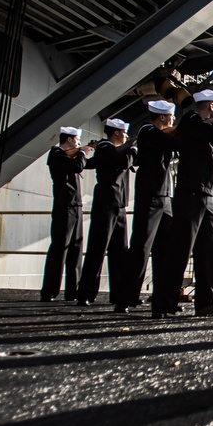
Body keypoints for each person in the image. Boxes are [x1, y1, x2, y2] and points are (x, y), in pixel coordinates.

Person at [153, 89, 213, 318]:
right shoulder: (191, 120)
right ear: (210, 106)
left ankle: (206, 303)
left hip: (204, 194)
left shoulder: (203, 126)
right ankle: (163, 303)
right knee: (180, 249)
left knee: (208, 250)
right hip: (190, 193)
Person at [113, 100, 178, 313]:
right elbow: (170, 140)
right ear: (162, 117)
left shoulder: (158, 134)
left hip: (165, 197)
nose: (173, 119)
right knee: (140, 248)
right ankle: (125, 298)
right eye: (171, 116)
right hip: (150, 196)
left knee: (165, 251)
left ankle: (161, 300)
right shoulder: (147, 131)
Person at [75, 118, 135, 306]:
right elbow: (124, 162)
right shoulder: (105, 148)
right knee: (97, 249)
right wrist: (132, 148)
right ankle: (85, 293)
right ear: (116, 133)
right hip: (106, 205)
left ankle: (118, 294)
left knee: (119, 253)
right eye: (124, 133)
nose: (125, 136)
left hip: (119, 206)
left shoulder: (111, 149)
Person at [40, 126, 93, 302]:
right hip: (64, 206)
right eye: (77, 140)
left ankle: (73, 290)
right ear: (69, 140)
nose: (79, 143)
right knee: (59, 249)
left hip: (76, 206)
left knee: (76, 250)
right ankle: (49, 290)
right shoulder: (56, 154)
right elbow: (77, 166)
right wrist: (83, 153)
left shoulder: (69, 155)